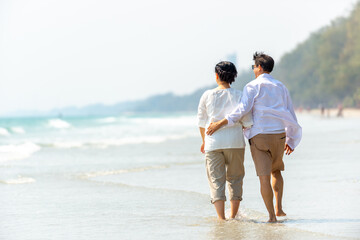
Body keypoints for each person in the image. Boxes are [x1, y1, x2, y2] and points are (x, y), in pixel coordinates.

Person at [206, 52, 302, 222]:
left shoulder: (252, 86)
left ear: (259, 67)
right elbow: (290, 113)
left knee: (264, 177)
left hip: (259, 136)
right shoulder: (281, 86)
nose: (253, 70)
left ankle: (271, 216)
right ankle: (279, 209)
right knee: (277, 171)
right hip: (279, 134)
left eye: (254, 67)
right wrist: (291, 139)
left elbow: (242, 110)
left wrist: (220, 123)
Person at [197, 61, 253, 220]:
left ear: (216, 75)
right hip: (235, 142)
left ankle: (221, 218)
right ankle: (233, 216)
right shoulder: (240, 94)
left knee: (216, 181)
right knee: (235, 179)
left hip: (213, 143)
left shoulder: (207, 95)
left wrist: (203, 141)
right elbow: (247, 120)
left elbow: (201, 122)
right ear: (233, 77)